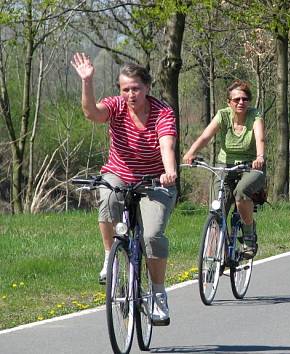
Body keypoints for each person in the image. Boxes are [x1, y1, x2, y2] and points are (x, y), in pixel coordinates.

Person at [70, 52, 177, 326]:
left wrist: (169, 171)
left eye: (136, 89)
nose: (131, 94)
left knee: (152, 236)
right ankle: (110, 256)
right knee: (106, 194)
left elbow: (166, 145)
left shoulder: (162, 112)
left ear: (147, 88)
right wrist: (87, 81)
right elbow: (91, 113)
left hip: (155, 180)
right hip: (120, 174)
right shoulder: (116, 106)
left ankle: (157, 293)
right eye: (125, 89)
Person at [183, 80, 266, 259]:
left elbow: (260, 138)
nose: (241, 102)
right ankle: (213, 257)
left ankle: (249, 235)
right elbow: (206, 136)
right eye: (236, 100)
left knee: (241, 193)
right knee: (217, 207)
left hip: (251, 165)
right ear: (229, 102)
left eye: (244, 99)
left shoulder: (255, 116)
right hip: (225, 165)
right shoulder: (223, 115)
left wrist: (260, 157)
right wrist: (191, 153)